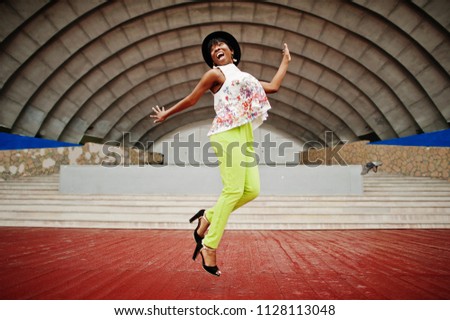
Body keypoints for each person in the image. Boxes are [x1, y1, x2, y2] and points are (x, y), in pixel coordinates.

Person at [151, 31, 291, 276]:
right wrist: (166, 114)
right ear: (213, 58)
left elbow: (274, 87)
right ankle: (209, 245)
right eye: (212, 48)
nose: (216, 47)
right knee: (233, 190)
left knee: (252, 190)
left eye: (220, 44)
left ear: (232, 51)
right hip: (225, 132)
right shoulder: (215, 74)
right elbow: (192, 99)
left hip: (244, 132)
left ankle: (207, 216)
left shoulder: (246, 77)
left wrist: (286, 62)